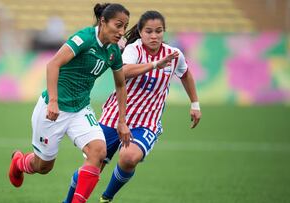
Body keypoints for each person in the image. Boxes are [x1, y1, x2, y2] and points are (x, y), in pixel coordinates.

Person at [62, 10, 202, 203]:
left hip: (146, 122)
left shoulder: (174, 55)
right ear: (141, 32)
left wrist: (195, 103)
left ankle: (106, 197)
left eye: (159, 31)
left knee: (128, 157)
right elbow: (125, 71)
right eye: (149, 31)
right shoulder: (133, 49)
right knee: (93, 166)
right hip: (115, 116)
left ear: (164, 32)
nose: (154, 36)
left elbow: (185, 74)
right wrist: (154, 65)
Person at [8, 3, 131, 203]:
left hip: (80, 109)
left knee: (99, 151)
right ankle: (20, 162)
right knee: (43, 167)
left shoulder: (113, 52)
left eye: (125, 27)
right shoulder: (84, 38)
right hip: (53, 108)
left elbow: (120, 85)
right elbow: (53, 64)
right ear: (103, 21)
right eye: (118, 25)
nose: (121, 31)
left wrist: (123, 120)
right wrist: (53, 102)